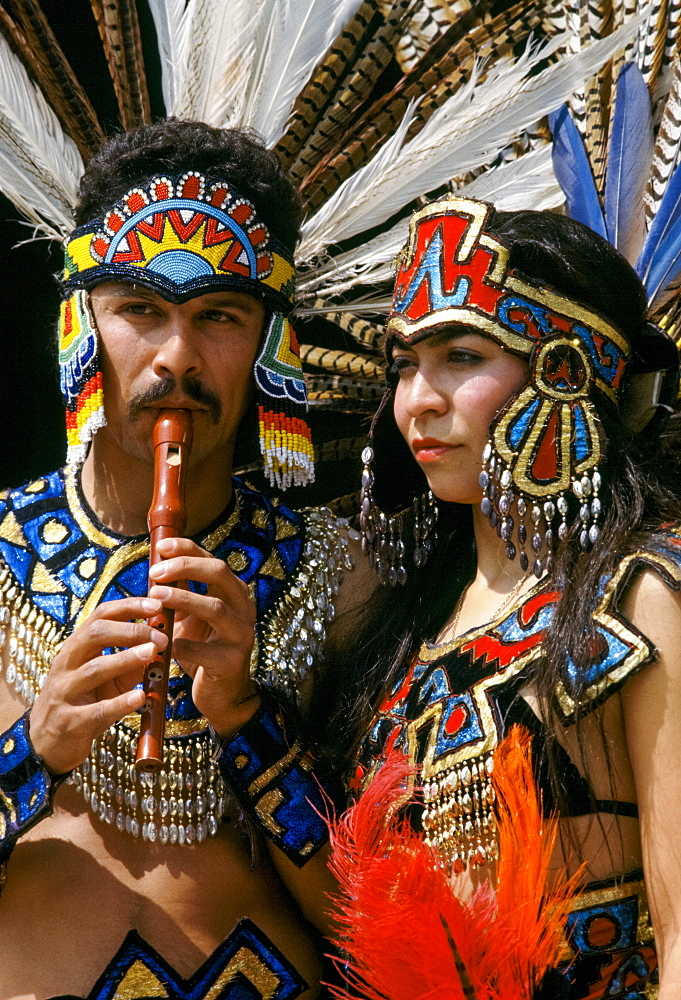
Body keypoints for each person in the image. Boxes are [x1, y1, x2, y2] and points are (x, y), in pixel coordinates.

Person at [0, 118, 371, 1000]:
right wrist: (36, 749)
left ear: (269, 344)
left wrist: (249, 722)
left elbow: (383, 920)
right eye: (140, 310)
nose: (176, 356)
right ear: (79, 324)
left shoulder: (340, 574)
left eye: (219, 317)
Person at [312, 195, 681, 998]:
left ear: (565, 371)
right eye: (404, 362)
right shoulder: (399, 623)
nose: (418, 399)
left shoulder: (643, 594)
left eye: (462, 357)